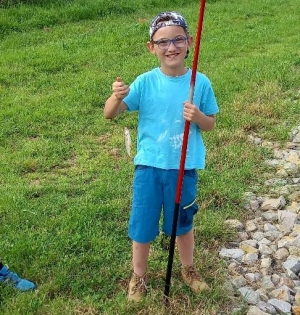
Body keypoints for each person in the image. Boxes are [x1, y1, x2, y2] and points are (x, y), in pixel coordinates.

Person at [104, 11, 219, 301]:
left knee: (182, 223)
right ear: (151, 47)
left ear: (189, 42)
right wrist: (117, 96)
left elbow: (211, 123)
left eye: (178, 40)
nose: (171, 47)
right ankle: (139, 277)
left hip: (184, 167)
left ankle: (188, 268)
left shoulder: (199, 82)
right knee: (142, 225)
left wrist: (198, 116)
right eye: (163, 42)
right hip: (149, 167)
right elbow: (110, 114)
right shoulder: (144, 82)